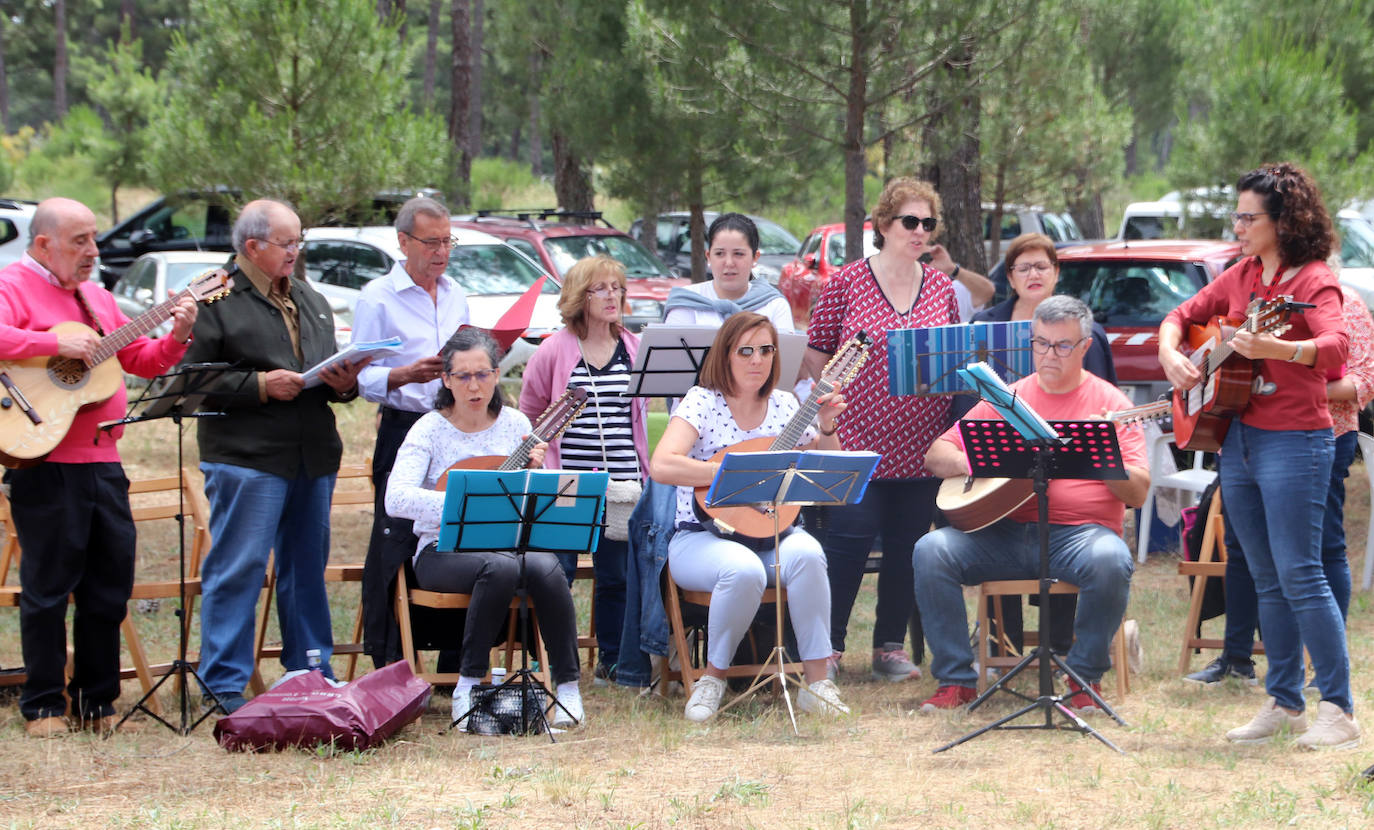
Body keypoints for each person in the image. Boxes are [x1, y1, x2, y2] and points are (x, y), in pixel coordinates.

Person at [1159, 162, 1357, 749]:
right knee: (1266, 576)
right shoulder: (1241, 275)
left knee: (1301, 572)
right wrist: (1173, 354)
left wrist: (1278, 348)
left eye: (1249, 216)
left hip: (1295, 438)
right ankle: (1285, 702)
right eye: (1237, 215)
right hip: (1237, 438)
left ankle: (1340, 710)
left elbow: (1336, 349)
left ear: (1284, 220)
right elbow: (1179, 317)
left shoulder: (1313, 279)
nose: (1238, 225)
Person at [0, 198, 198, 737]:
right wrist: (52, 341)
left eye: (93, 238)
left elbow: (138, 361)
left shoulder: (98, 299)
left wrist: (176, 336)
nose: (92, 251)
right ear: (43, 244)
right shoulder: (12, 285)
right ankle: (43, 705)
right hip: (44, 459)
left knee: (108, 587)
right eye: (79, 241)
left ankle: (96, 701)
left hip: (104, 460)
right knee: (47, 588)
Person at [914, 296, 1148, 713]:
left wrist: (1102, 453)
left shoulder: (1112, 405)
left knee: (1111, 560)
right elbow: (936, 454)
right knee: (932, 550)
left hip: (1080, 535)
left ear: (1084, 348)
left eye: (1061, 345)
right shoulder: (1010, 399)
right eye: (1040, 343)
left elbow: (1139, 494)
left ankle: (1081, 679)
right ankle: (957, 681)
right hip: (1004, 532)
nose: (1048, 354)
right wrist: (982, 462)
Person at [183, 199, 366, 714]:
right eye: (286, 243)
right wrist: (260, 385)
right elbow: (192, 381)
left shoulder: (308, 298)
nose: (295, 251)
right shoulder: (214, 298)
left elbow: (326, 372)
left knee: (306, 567)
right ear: (252, 247)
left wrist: (345, 384)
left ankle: (310, 669)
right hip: (246, 457)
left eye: (297, 241)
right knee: (239, 568)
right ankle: (223, 684)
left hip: (311, 453)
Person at [650, 312, 849, 722]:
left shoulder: (785, 405)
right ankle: (713, 680)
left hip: (771, 533)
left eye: (766, 350)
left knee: (809, 554)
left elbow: (829, 466)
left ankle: (817, 683)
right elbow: (662, 465)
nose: (757, 360)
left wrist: (827, 425)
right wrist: (726, 472)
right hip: (701, 538)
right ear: (725, 355)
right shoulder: (702, 401)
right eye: (746, 351)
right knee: (742, 571)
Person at [385, 327, 583, 729]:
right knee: (502, 569)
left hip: (506, 544)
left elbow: (531, 498)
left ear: (497, 375)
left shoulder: (515, 424)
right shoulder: (429, 428)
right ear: (446, 380)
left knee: (547, 567)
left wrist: (535, 472)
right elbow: (396, 498)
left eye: (483, 374)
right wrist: (461, 502)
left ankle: (568, 688)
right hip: (441, 549)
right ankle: (468, 686)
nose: (475, 386)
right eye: (463, 376)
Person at [804, 176, 959, 683]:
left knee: (908, 548)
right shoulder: (846, 282)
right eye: (909, 221)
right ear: (883, 225)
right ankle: (826, 647)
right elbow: (815, 352)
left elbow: (953, 358)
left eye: (927, 223)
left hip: (920, 444)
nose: (919, 231)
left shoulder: (941, 287)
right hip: (852, 442)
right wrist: (829, 398)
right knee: (846, 543)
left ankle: (889, 647)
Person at [1184, 281, 1374, 689]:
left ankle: (1323, 668)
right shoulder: (1254, 291)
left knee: (1322, 548)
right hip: (1249, 433)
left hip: (1323, 435)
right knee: (1240, 545)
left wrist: (1292, 388)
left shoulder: (1348, 303)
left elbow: (1362, 383)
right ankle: (1237, 658)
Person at [966, 232, 1119, 660]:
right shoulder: (984, 326)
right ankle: (1001, 648)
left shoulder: (1090, 332)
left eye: (1042, 266)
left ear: (1056, 273)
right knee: (990, 523)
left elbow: (1102, 396)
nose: (1033, 274)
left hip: (1064, 467)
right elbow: (968, 405)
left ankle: (1059, 648)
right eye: (1023, 267)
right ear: (1009, 277)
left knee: (1065, 512)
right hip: (1001, 462)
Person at [353, 195, 470, 670]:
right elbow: (358, 377)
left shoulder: (457, 292)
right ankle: (390, 662)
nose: (441, 252)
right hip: (403, 427)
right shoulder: (377, 297)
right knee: (396, 536)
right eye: (431, 242)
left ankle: (455, 658)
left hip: (454, 426)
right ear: (403, 242)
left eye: (448, 241)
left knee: (457, 533)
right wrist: (404, 375)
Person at [519, 255, 649, 683]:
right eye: (601, 288)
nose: (612, 296)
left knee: (616, 578)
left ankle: (611, 661)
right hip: (567, 483)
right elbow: (530, 410)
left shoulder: (634, 348)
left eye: (617, 287)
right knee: (558, 574)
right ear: (579, 297)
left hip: (623, 481)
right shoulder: (555, 349)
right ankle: (556, 660)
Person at [662, 213, 796, 332]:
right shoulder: (687, 301)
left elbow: (783, 358)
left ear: (755, 257)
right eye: (719, 253)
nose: (729, 262)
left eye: (738, 254)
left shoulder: (774, 305)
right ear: (708, 257)